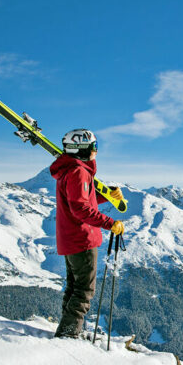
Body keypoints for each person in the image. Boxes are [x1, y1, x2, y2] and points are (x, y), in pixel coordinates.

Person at [49, 129, 125, 339]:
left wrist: (108, 195)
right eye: (94, 147)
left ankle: (67, 329)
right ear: (82, 149)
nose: (96, 151)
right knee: (84, 291)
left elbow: (84, 198)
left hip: (71, 239)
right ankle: (68, 334)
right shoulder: (79, 172)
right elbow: (81, 208)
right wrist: (110, 224)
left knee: (74, 287)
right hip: (82, 239)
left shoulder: (70, 171)